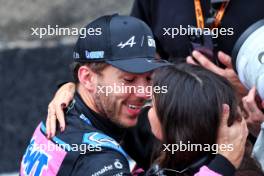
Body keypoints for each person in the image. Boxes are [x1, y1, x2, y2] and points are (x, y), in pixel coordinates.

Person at [20, 14, 172, 176]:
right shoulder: (98, 159)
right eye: (128, 80)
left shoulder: (67, 110)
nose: (145, 92)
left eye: (149, 78)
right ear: (87, 78)